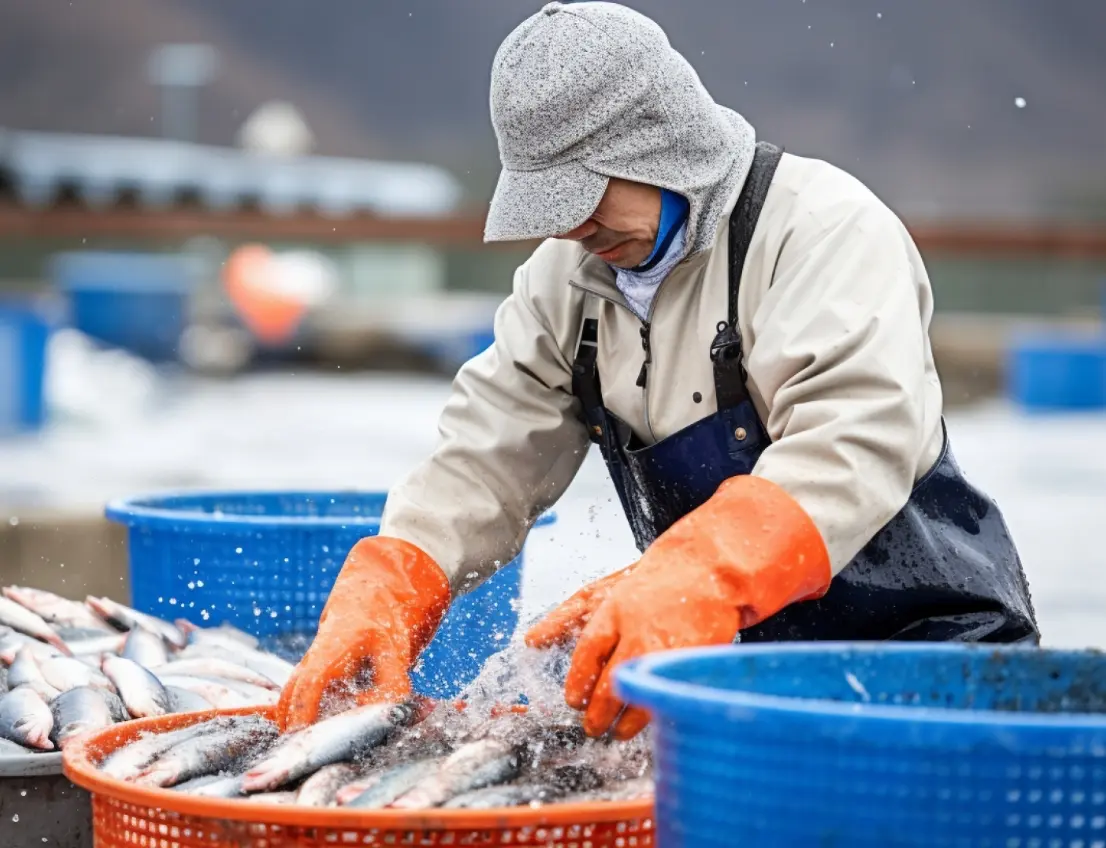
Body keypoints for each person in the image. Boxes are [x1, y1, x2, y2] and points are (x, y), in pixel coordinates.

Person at [276, 1, 1038, 739]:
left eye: (583, 193)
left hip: (933, 666)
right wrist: (395, 576)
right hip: (732, 675)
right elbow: (484, 457)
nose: (569, 226)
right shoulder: (561, 283)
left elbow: (853, 445)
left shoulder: (823, 230)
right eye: (549, 202)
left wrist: (701, 573)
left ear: (660, 142)